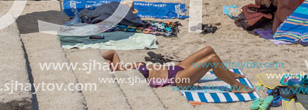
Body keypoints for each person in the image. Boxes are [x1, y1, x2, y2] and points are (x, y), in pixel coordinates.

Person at [103, 47, 252, 92]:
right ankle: (236, 86)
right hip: (178, 79)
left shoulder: (118, 67)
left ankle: (226, 73)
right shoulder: (121, 77)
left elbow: (112, 53)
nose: (110, 65)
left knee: (208, 50)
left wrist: (101, 60)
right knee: (211, 60)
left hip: (174, 69)